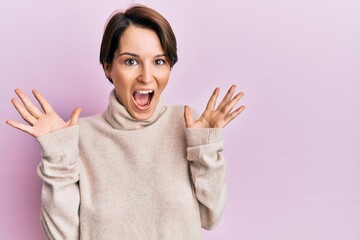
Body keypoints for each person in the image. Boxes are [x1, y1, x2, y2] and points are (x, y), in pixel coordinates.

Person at [6, 4, 245, 240]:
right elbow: (62, 236)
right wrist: (57, 155)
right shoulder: (79, 138)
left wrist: (205, 148)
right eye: (131, 61)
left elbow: (210, 216)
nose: (146, 76)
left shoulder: (188, 124)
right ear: (108, 67)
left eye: (159, 61)